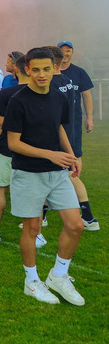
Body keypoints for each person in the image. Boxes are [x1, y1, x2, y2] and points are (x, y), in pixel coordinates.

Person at [4, 47, 84, 305]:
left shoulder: (59, 98)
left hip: (57, 172)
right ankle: (31, 281)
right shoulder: (18, 100)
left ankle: (58, 276)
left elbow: (58, 127)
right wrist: (50, 154)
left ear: (54, 69)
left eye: (46, 69)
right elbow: (13, 143)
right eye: (36, 69)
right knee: (33, 228)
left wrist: (71, 155)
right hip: (28, 173)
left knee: (76, 224)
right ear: (27, 70)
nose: (41, 74)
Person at [0, 57, 31, 244]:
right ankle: (35, 232)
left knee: (0, 187)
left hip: (8, 148)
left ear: (17, 69)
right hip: (34, 149)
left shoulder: (7, 93)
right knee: (31, 189)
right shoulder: (42, 93)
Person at [57, 41, 99, 230]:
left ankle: (88, 217)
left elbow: (87, 96)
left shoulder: (78, 72)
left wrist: (89, 117)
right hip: (54, 126)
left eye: (69, 51)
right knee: (55, 170)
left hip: (71, 127)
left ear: (72, 53)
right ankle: (43, 214)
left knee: (69, 169)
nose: (66, 53)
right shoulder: (51, 74)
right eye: (63, 51)